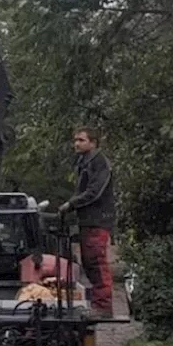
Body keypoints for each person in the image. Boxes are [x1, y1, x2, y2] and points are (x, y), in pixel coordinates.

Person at [59, 127, 116, 319]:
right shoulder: (85, 162)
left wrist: (71, 204)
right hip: (88, 220)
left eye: (81, 140)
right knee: (89, 262)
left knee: (96, 262)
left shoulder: (99, 162)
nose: (76, 143)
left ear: (93, 142)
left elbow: (94, 192)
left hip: (98, 219)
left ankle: (104, 307)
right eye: (75, 140)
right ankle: (98, 305)